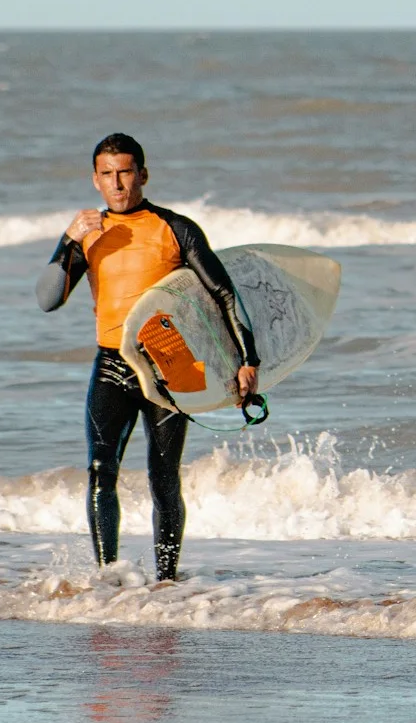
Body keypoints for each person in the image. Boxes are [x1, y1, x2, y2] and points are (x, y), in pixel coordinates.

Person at [36, 133, 259, 581]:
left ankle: (167, 580)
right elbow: (47, 300)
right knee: (101, 469)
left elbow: (223, 294)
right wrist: (67, 240)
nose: (117, 184)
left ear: (143, 174)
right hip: (113, 364)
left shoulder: (175, 228)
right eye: (107, 175)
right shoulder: (89, 235)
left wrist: (246, 360)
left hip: (169, 362)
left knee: (163, 475)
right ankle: (108, 577)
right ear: (95, 180)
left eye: (125, 173)